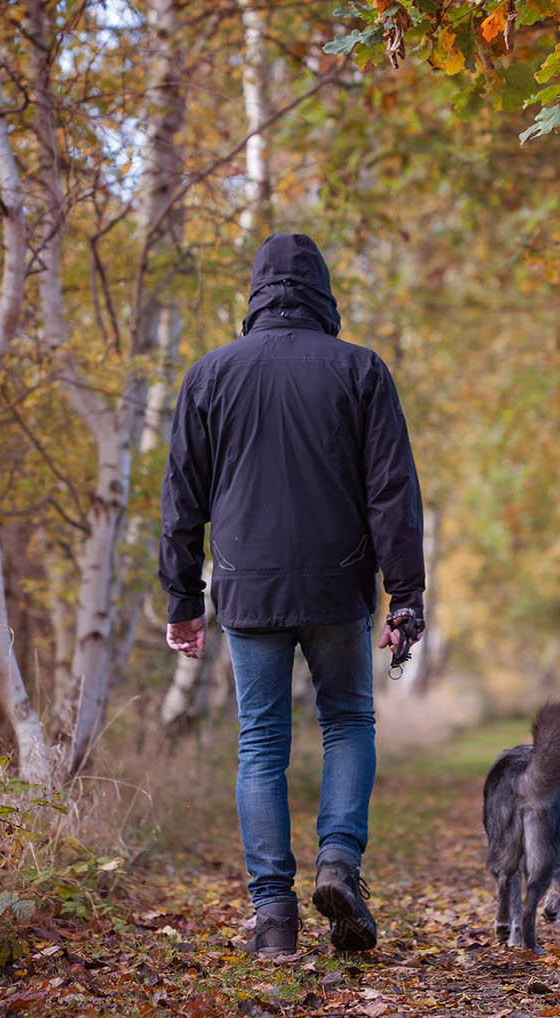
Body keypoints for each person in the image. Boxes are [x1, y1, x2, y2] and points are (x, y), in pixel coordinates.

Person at [159, 233, 425, 957]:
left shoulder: (209, 376)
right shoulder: (360, 371)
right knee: (346, 722)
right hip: (339, 584)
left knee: (261, 744)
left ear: (255, 292)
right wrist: (406, 595)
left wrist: (183, 598)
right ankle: (339, 861)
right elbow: (392, 492)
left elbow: (181, 497)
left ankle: (273, 914)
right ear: (323, 291)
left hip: (247, 589)